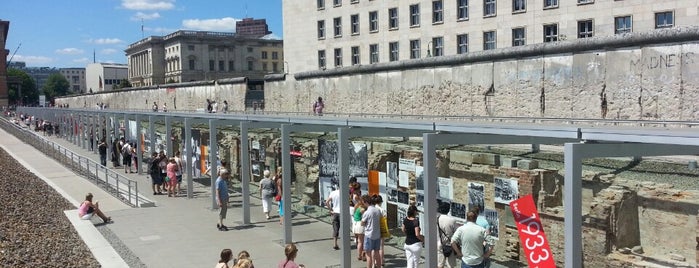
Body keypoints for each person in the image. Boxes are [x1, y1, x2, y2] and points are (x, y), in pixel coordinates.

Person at [361, 195, 382, 268]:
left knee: (368, 255)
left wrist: (362, 214)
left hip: (369, 235)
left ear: (366, 202)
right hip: (377, 234)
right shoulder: (378, 210)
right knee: (377, 253)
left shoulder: (367, 212)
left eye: (363, 202)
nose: (363, 204)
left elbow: (362, 223)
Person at [438, 202, 458, 268]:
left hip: (440, 243)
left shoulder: (437, 219)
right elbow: (456, 232)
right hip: (450, 244)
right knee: (450, 265)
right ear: (448, 210)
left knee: (440, 264)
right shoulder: (452, 220)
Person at [353, 195, 369, 261]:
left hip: (355, 224)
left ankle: (359, 255)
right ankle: (362, 255)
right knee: (362, 242)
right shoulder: (362, 209)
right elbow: (365, 218)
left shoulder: (357, 206)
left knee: (359, 241)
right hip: (360, 225)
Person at [325, 185, 342, 250]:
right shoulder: (345, 193)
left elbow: (327, 202)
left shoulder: (333, 193)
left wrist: (330, 210)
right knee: (344, 228)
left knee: (335, 228)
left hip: (335, 212)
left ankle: (335, 244)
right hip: (342, 213)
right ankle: (345, 243)